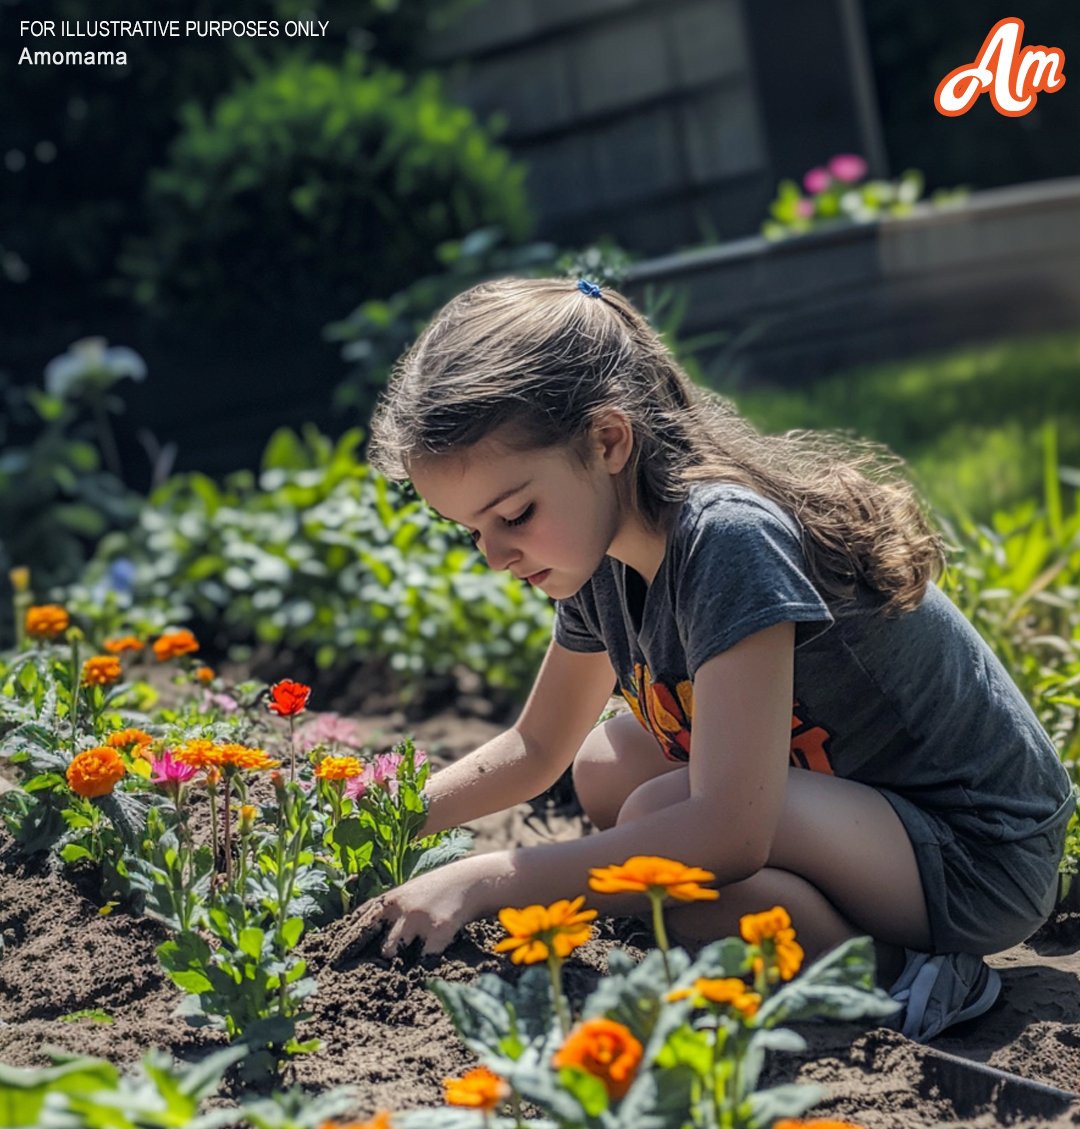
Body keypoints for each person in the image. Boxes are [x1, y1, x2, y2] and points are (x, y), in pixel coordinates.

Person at [333, 275, 1076, 1040]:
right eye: (472, 530)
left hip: (979, 852)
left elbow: (727, 833)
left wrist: (488, 881)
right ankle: (827, 935)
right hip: (864, 810)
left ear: (609, 441)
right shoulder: (597, 555)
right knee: (606, 764)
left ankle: (903, 975)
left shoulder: (727, 541)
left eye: (514, 514)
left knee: (663, 828)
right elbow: (537, 746)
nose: (494, 553)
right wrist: (370, 818)